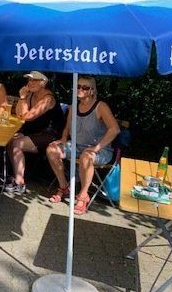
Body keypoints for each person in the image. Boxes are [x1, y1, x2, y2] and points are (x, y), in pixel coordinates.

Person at [45, 75, 119, 214]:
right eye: (78, 86)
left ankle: (83, 196)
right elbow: (67, 127)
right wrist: (63, 138)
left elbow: (114, 129)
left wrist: (96, 148)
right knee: (51, 150)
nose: (80, 89)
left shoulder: (100, 106)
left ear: (92, 90)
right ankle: (64, 187)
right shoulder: (74, 106)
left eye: (85, 87)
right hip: (77, 146)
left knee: (86, 156)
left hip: (100, 150)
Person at [5, 71, 65, 194]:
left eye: (34, 80)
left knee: (17, 144)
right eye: (30, 80)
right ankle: (17, 175)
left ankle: (20, 183)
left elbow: (28, 117)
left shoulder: (48, 99)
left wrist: (22, 98)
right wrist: (23, 97)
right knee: (9, 140)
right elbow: (19, 113)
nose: (30, 83)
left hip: (50, 135)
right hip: (33, 132)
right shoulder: (31, 94)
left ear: (43, 83)